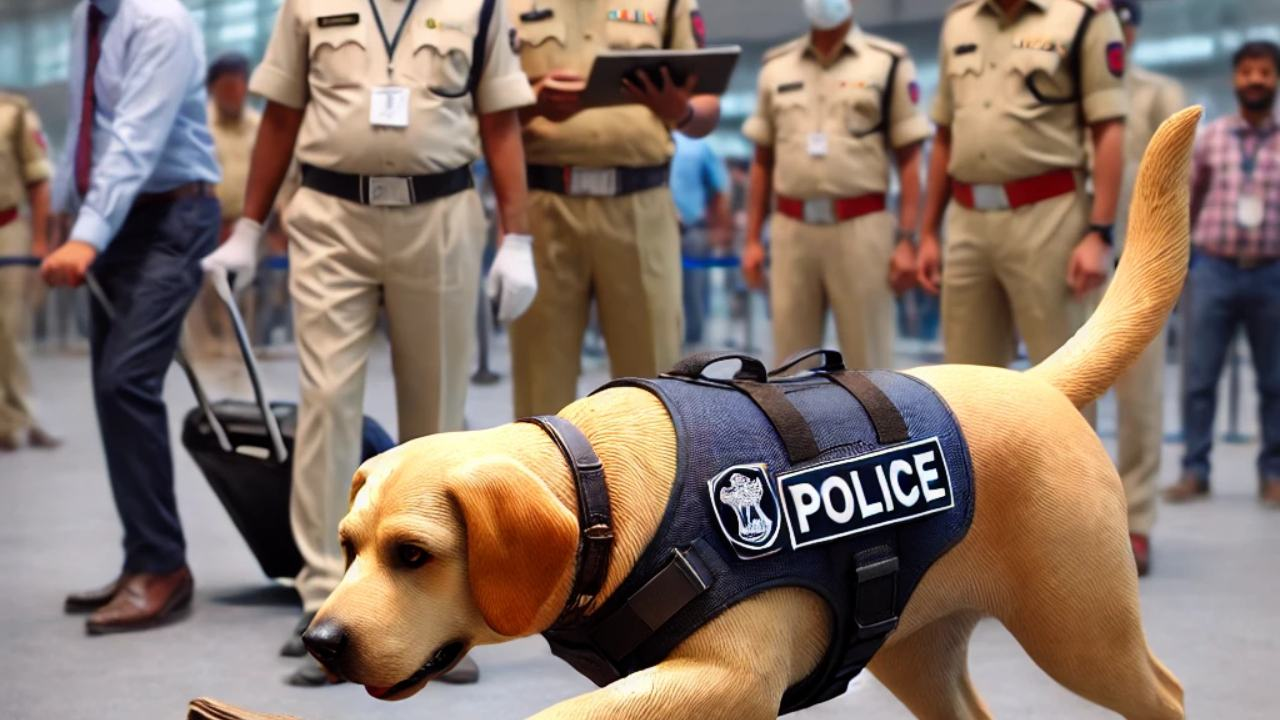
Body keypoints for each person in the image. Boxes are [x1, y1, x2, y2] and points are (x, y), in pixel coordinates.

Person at [201, 0, 537, 685]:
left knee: (436, 409)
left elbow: (499, 122)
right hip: (330, 215)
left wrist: (517, 237)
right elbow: (283, 117)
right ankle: (324, 593)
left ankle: (438, 608)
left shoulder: (477, 7)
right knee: (326, 400)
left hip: (439, 213)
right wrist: (250, 227)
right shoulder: (308, 5)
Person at [42, 0, 221, 634]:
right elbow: (85, 126)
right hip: (118, 220)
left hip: (172, 216)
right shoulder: (87, 18)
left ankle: (163, 568)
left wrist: (85, 234)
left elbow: (133, 140)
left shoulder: (158, 20)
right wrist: (64, 215)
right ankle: (143, 559)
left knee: (126, 381)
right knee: (111, 390)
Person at [506, 0, 721, 417]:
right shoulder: (505, 7)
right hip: (546, 206)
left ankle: (656, 482)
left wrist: (680, 111)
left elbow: (707, 107)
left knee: (655, 386)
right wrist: (534, 103)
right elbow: (484, 107)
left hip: (640, 206)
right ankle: (545, 483)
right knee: (540, 383)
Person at [917, 0, 1128, 422]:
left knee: (1064, 386)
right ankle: (984, 488)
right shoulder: (959, 22)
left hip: (1048, 215)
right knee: (964, 390)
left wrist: (1099, 232)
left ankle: (1071, 488)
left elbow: (1108, 129)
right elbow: (944, 134)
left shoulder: (1083, 17)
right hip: (967, 220)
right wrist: (927, 232)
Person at [742, 0, 929, 369]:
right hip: (791, 229)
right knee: (789, 368)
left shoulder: (887, 62)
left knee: (869, 364)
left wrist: (909, 240)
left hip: (862, 228)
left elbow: (910, 160)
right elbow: (762, 161)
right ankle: (794, 430)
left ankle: (878, 429)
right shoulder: (776, 67)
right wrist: (750, 240)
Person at [1165, 41, 1280, 508]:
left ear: (1275, 81)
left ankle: (1273, 474)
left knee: (1275, 382)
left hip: (1272, 273)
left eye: (1265, 73)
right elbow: (1186, 202)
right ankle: (1195, 470)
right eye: (1248, 72)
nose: (1256, 80)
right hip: (1213, 269)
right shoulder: (1211, 138)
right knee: (1199, 378)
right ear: (1236, 79)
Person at [1103, 0, 1186, 575]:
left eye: (1121, 22)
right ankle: (1068, 514)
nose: (1114, 32)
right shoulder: (1064, 96)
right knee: (1065, 393)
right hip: (1070, 255)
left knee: (1139, 394)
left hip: (1137, 261)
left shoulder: (1159, 93)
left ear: (1132, 29)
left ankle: (1135, 521)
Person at [187, 53, 261, 359]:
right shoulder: (198, 127)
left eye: (239, 85)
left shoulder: (260, 126)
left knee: (248, 294)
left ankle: (243, 354)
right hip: (208, 227)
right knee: (210, 297)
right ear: (213, 89)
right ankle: (213, 359)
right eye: (226, 86)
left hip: (251, 227)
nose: (233, 93)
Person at [0, 91, 58, 452]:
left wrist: (39, 241)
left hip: (6, 231)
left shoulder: (13, 113)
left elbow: (38, 181)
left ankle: (24, 416)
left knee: (9, 327)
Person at [670, 132, 731, 346]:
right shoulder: (647, 141)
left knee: (693, 293)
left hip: (691, 229)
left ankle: (693, 351)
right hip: (654, 230)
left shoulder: (699, 146)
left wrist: (720, 229)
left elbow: (719, 189)